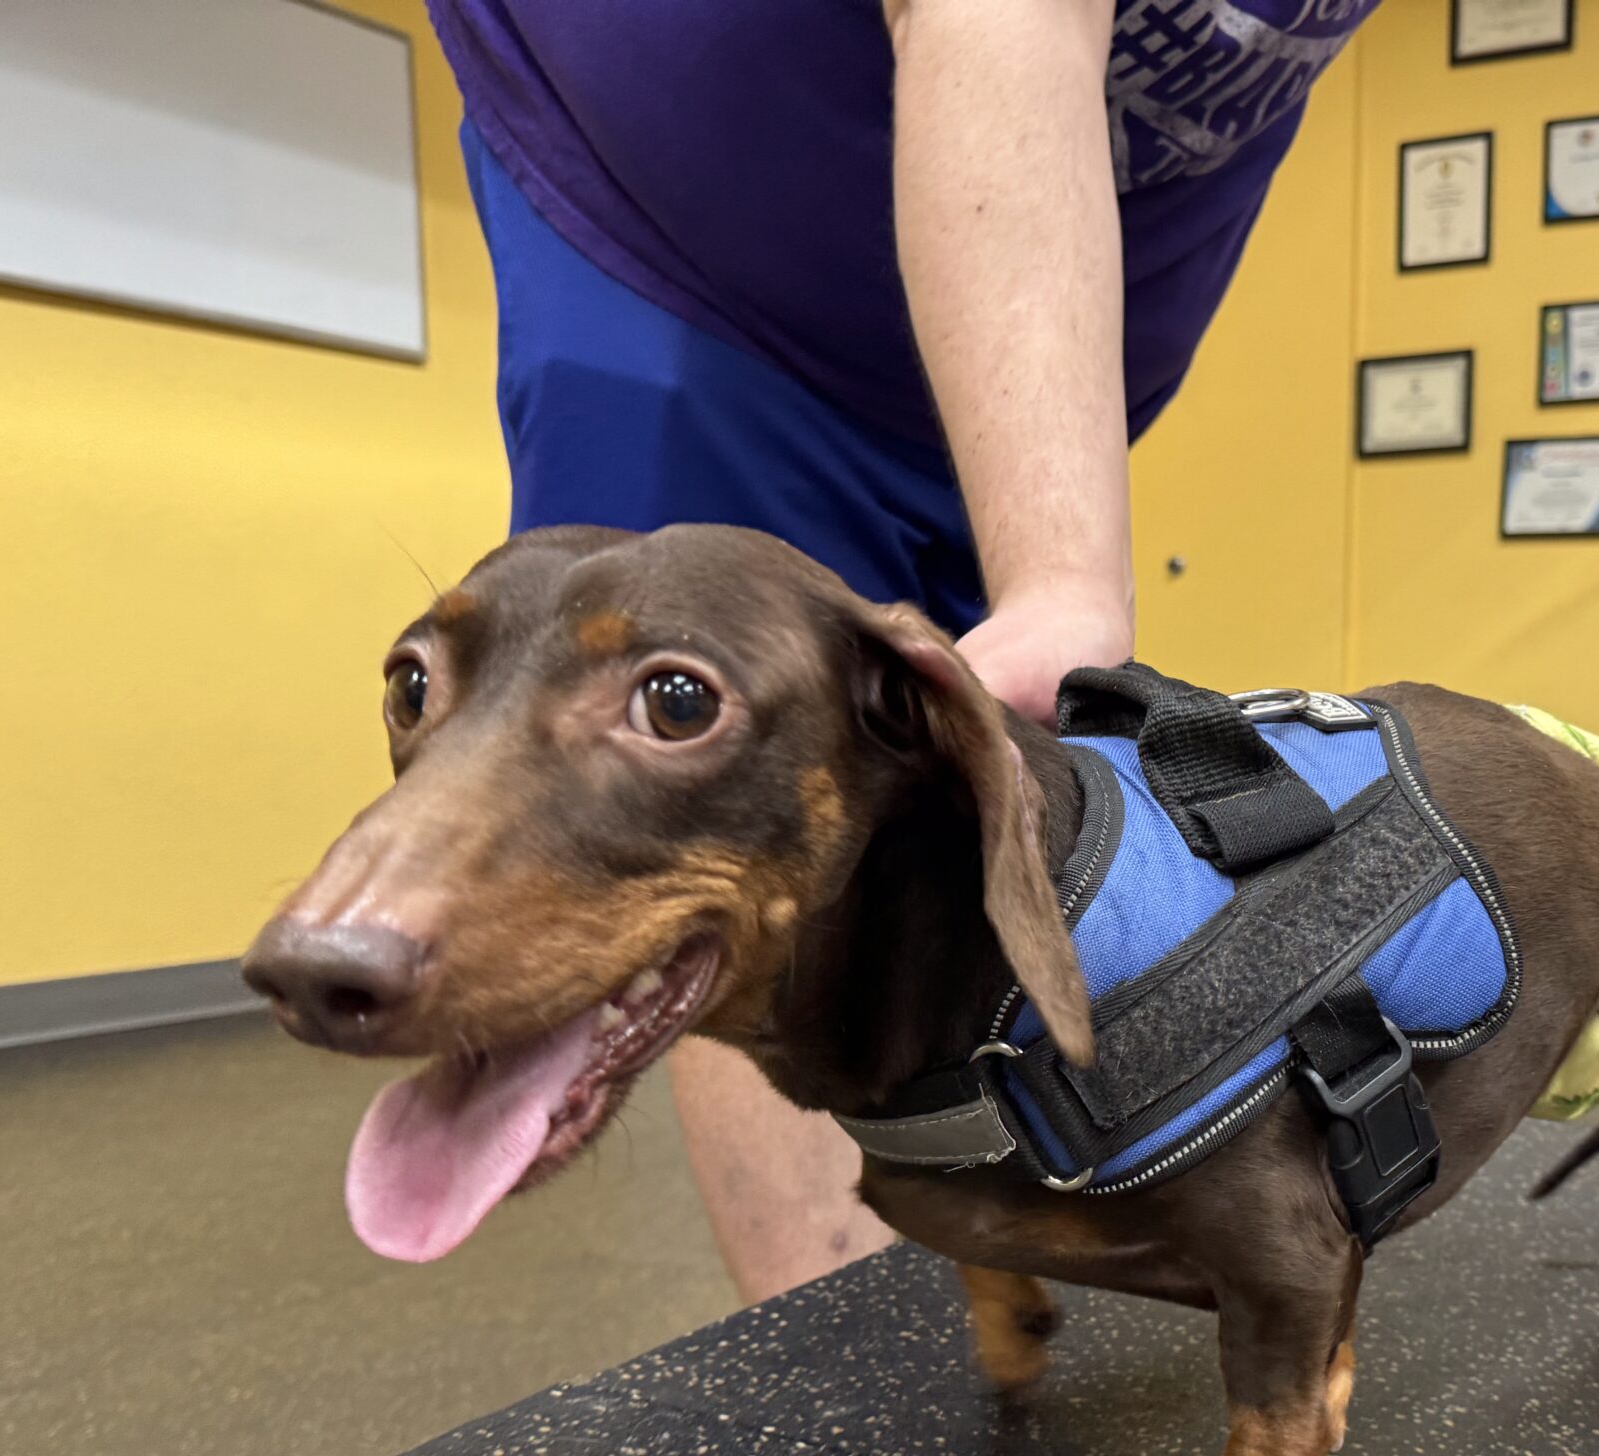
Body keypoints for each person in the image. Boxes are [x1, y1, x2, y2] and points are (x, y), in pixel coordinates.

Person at [427, 0, 1378, 1301]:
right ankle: (849, 1337)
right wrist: (1059, 576)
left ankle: (976, 1255)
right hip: (694, 238)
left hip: (987, 286)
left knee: (920, 781)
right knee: (721, 781)